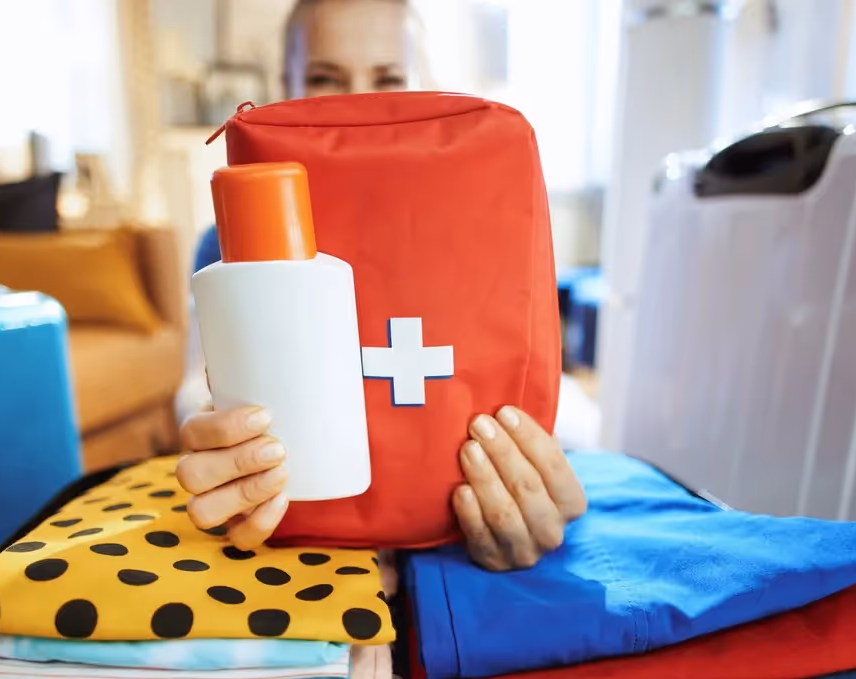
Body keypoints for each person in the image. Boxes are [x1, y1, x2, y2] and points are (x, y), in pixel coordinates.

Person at [175, 0, 588, 572]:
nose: (355, 103)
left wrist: (543, 467)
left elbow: (532, 380)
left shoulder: (480, 212)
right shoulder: (221, 239)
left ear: (420, 86)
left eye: (388, 79)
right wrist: (215, 438)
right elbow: (193, 392)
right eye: (324, 78)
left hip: (456, 542)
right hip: (292, 551)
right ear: (280, 85)